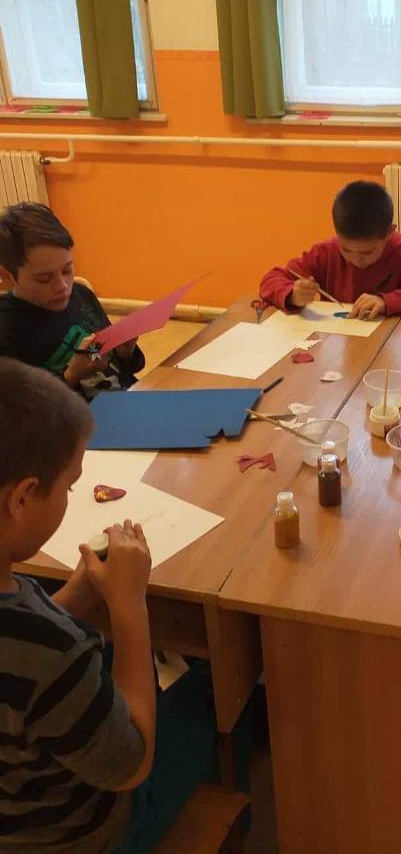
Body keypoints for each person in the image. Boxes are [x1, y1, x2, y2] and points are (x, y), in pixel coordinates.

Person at [0, 358, 156, 852]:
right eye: (69, 486)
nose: (70, 495)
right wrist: (129, 608)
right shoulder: (51, 649)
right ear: (22, 498)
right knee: (204, 695)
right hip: (71, 836)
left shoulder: (31, 631)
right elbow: (133, 763)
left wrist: (75, 596)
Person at [0, 203, 144, 398]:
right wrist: (71, 375)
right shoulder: (7, 330)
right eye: (44, 279)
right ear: (7, 276)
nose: (62, 286)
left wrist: (124, 353)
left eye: (67, 270)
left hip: (128, 398)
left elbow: (118, 366)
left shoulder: (81, 296)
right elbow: (19, 410)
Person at [259, 180, 401, 318]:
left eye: (367, 252)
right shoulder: (326, 252)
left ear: (389, 233)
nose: (356, 260)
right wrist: (292, 294)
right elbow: (270, 279)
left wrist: (387, 302)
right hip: (338, 348)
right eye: (346, 250)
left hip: (389, 345)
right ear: (337, 235)